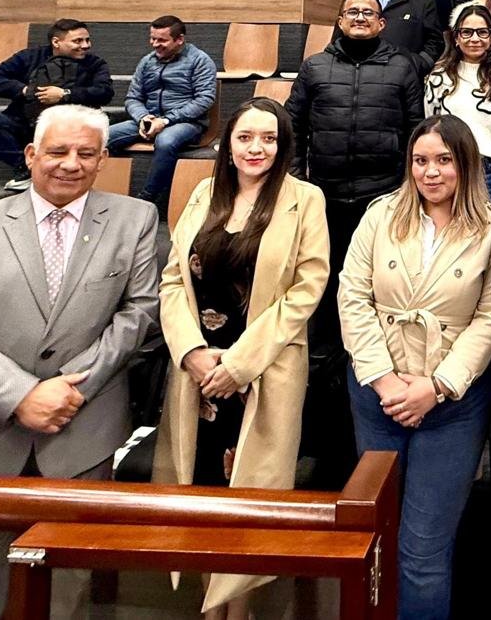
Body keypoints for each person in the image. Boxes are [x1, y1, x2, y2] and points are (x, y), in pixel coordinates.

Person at [0, 104, 159, 620]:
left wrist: (68, 391)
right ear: (30, 155)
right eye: (57, 151)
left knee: (65, 599)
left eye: (86, 153)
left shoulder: (135, 219)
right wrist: (22, 395)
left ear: (103, 159)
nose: (71, 164)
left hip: (80, 435)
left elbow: (138, 314)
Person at [153, 97, 329, 617]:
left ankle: (240, 610)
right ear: (227, 144)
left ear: (283, 145)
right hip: (200, 375)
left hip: (262, 368)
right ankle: (209, 609)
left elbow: (306, 289)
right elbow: (172, 280)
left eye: (269, 138)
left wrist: (239, 365)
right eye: (246, 137)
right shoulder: (204, 193)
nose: (257, 148)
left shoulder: (305, 199)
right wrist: (191, 352)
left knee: (250, 499)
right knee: (203, 492)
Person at [338, 114, 491, 620]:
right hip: (378, 394)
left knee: (423, 550)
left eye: (444, 160)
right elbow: (353, 296)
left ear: (466, 164)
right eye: (420, 161)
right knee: (377, 535)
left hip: (451, 402)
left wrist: (437, 386)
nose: (430, 172)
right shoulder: (380, 215)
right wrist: (385, 380)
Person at [286, 0, 424, 487]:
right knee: (324, 315)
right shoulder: (314, 68)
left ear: (382, 23)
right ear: (340, 20)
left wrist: (406, 194)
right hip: (323, 202)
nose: (361, 17)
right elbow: (293, 127)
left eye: (369, 12)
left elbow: (415, 131)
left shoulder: (403, 67)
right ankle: (324, 433)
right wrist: (298, 185)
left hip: (380, 203)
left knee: (372, 304)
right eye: (352, 12)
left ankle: (376, 410)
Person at [0, 19, 114, 192]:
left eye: (87, 40)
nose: (86, 45)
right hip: (25, 122)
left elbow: (104, 92)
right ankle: (28, 167)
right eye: (78, 41)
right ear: (56, 42)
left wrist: (64, 95)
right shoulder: (29, 57)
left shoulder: (95, 63)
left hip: (69, 128)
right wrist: (24, 90)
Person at [107, 15, 218, 207]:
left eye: (162, 40)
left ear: (179, 39)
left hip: (187, 123)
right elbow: (133, 98)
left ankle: (147, 199)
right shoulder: (146, 62)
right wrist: (143, 117)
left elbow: (204, 100)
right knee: (102, 136)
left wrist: (166, 120)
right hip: (148, 119)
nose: (155, 44)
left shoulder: (200, 60)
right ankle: (107, 192)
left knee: (166, 141)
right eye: (152, 38)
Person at [425, 5, 491, 210]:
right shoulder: (439, 78)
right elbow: (430, 125)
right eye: (467, 32)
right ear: (456, 38)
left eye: (482, 32)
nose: (475, 39)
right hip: (451, 168)